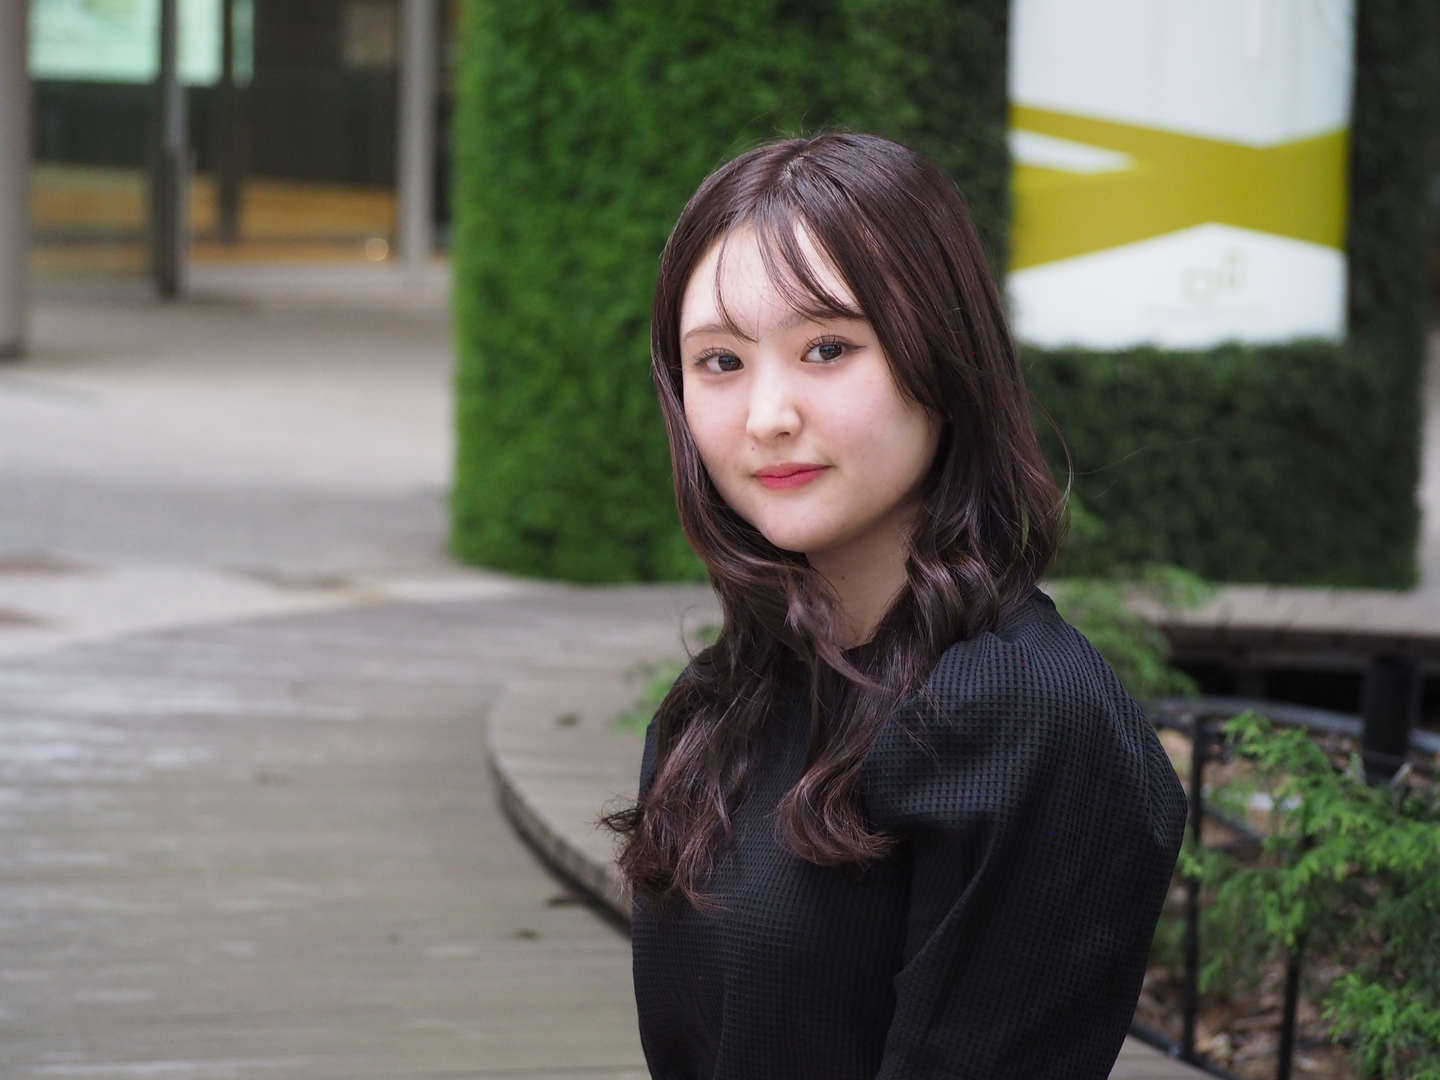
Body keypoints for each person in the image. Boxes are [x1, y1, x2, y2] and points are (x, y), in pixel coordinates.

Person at [605, 132, 1188, 1080]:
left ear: (945, 364)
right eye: (720, 362)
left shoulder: (1027, 718)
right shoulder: (721, 702)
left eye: (827, 348)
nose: (768, 416)